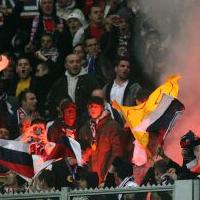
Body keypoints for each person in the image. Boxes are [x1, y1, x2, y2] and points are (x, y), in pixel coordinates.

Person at [78, 96, 124, 183]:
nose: (93, 109)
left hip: (108, 178)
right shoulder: (84, 129)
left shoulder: (112, 126)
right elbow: (80, 155)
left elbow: (117, 152)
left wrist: (109, 173)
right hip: (90, 181)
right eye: (90, 106)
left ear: (102, 108)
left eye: (96, 106)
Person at [47, 53, 99, 119]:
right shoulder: (59, 83)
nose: (75, 64)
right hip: (64, 120)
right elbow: (51, 102)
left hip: (86, 120)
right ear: (66, 65)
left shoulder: (90, 80)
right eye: (71, 62)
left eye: (77, 62)